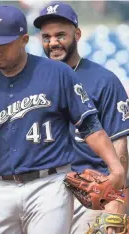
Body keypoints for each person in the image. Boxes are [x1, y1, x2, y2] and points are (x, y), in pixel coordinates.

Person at [0, 5, 125, 234]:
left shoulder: (72, 76)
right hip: (1, 187)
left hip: (58, 184)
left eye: (3, 43)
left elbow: (93, 128)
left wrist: (118, 178)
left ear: (23, 40)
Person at [33, 2, 129, 234]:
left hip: (91, 194)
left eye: (60, 35)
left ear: (77, 34)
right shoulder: (31, 82)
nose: (53, 42)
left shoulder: (103, 81)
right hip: (42, 194)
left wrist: (116, 201)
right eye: (46, 36)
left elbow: (120, 146)